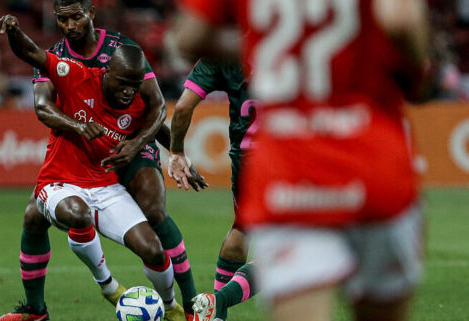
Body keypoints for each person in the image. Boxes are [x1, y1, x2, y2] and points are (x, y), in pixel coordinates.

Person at [174, 0, 430, 321]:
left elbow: (188, 37)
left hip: (289, 172)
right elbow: (402, 20)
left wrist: (266, 49)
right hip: (370, 162)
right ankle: (219, 304)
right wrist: (418, 68)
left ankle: (217, 304)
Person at [0, 1, 199, 320]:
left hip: (106, 180)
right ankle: (107, 287)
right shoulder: (73, 73)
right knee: (69, 214)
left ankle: (174, 307)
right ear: (106, 74)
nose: (130, 92)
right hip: (60, 180)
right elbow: (34, 57)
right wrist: (14, 30)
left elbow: (157, 115)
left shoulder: (128, 68)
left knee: (153, 245)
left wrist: (177, 153)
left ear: (91, 12)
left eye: (135, 86)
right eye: (64, 18)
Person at [168, 58, 259, 320]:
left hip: (246, 157)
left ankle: (216, 316)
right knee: (293, 249)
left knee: (241, 229)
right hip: (285, 153)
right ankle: (217, 302)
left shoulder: (223, 50)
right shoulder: (291, 43)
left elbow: (183, 106)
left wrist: (176, 152)